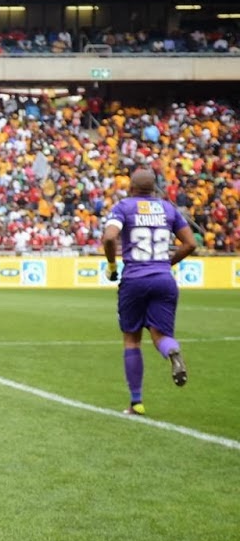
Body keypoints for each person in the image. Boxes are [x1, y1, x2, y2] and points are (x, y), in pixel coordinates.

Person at [102, 167, 198, 414]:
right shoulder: (168, 208)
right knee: (161, 336)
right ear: (154, 189)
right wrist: (167, 264)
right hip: (164, 279)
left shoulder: (124, 207)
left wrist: (112, 265)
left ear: (131, 188)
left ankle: (137, 402)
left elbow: (109, 238)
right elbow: (190, 243)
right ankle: (172, 350)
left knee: (132, 340)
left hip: (134, 279)